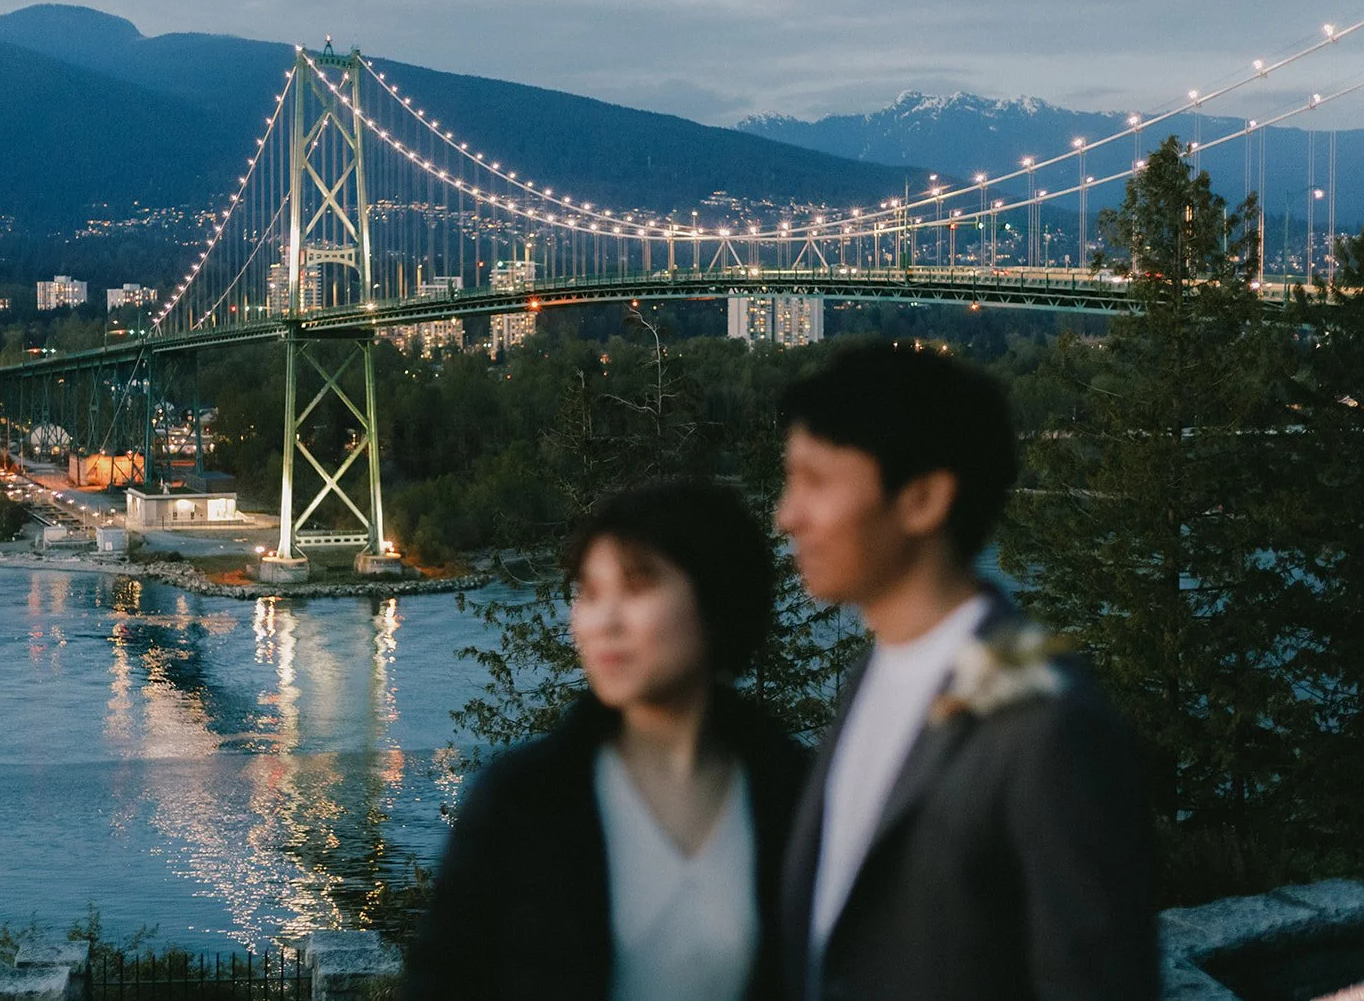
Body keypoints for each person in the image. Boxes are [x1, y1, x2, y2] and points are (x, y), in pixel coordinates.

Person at [773, 341, 1157, 1001]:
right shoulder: (873, 674)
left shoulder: (1051, 722)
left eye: (814, 480)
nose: (786, 514)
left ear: (922, 499)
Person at [406, 480, 809, 1001]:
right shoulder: (524, 800)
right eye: (590, 594)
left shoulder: (794, 795)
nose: (604, 622)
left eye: (637, 587)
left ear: (718, 597)